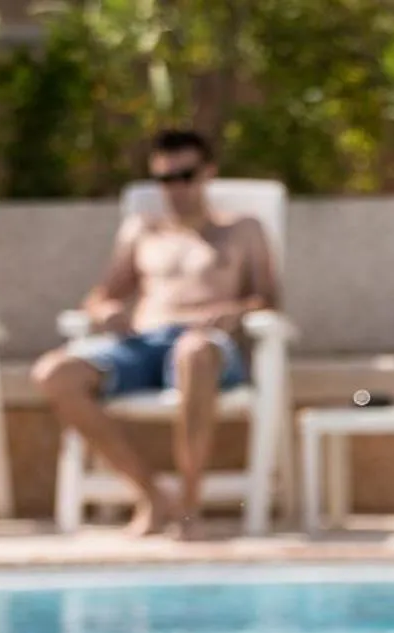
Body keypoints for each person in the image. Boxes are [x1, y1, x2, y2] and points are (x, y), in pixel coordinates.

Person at [32, 128, 282, 538]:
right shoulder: (141, 231)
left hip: (205, 346)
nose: (176, 188)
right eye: (166, 179)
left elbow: (268, 300)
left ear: (208, 173)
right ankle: (151, 493)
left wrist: (232, 312)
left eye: (186, 176)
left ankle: (189, 507)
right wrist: (107, 311)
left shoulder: (242, 230)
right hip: (141, 344)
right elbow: (100, 296)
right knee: (53, 374)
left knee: (193, 352)